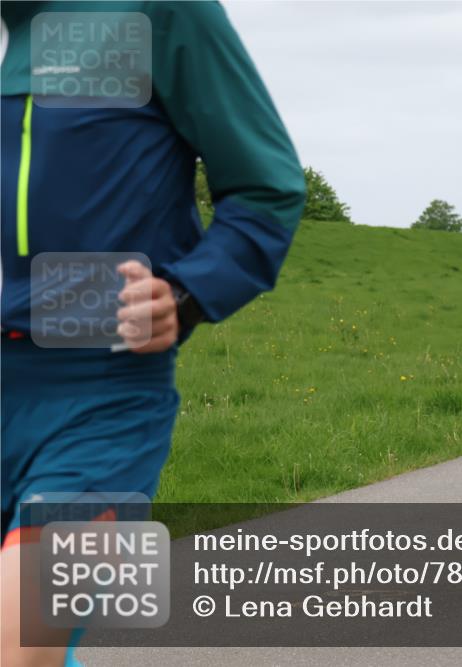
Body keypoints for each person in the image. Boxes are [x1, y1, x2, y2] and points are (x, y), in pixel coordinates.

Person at [1, 2, 305, 665]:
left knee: (21, 646)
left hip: (98, 396)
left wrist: (186, 293)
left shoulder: (160, 12)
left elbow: (267, 189)